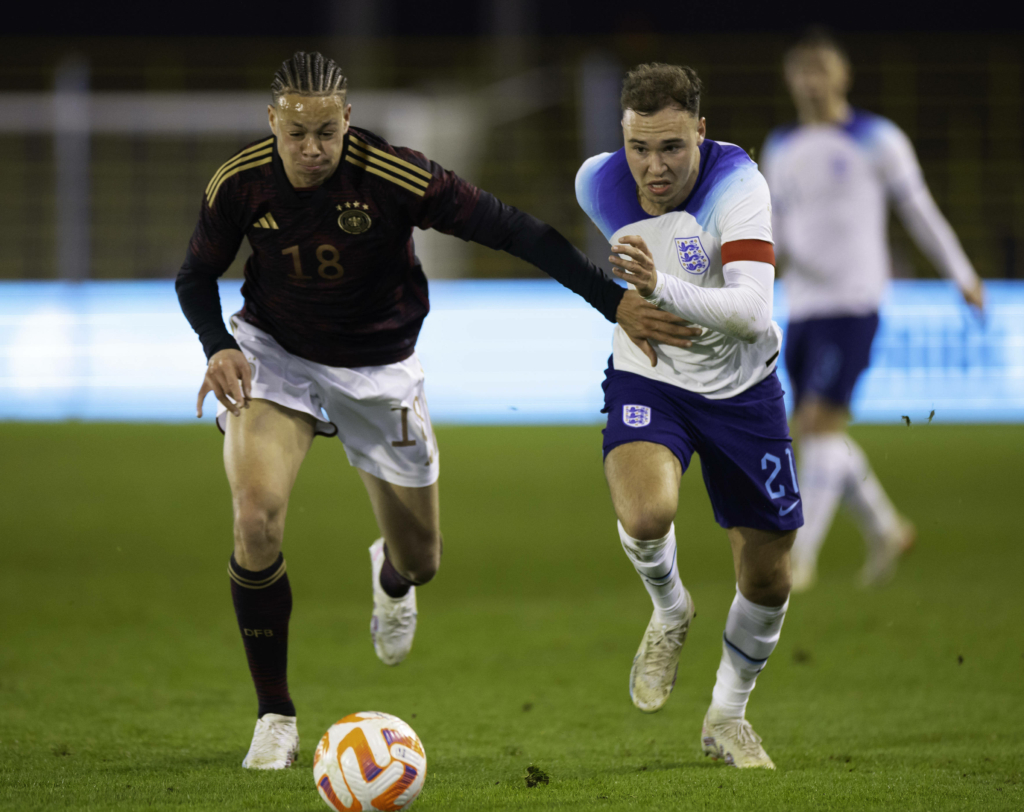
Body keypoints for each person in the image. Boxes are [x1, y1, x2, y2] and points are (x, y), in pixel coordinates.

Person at [176, 51, 698, 770]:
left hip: (380, 371)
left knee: (421, 560)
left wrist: (615, 304)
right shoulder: (240, 184)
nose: (310, 148)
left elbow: (517, 230)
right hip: (275, 357)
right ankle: (275, 714)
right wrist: (216, 345)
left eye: (326, 131)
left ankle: (389, 579)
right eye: (296, 132)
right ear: (273, 122)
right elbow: (196, 273)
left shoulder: (395, 176)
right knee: (255, 515)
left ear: (348, 120)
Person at [575, 63, 802, 769]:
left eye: (672, 146)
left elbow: (750, 313)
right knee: (646, 515)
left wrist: (656, 286)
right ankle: (671, 609)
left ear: (701, 132)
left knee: (768, 580)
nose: (653, 166)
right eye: (639, 147)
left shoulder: (740, 186)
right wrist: (623, 305)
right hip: (654, 376)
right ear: (622, 137)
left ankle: (727, 716)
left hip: (743, 389)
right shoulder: (596, 181)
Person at [760, 30, 985, 592]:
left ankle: (799, 559)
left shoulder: (877, 138)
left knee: (817, 425)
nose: (811, 82)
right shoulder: (780, 146)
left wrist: (962, 273)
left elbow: (919, 209)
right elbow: (773, 230)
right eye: (801, 72)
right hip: (804, 307)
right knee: (815, 434)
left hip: (855, 303)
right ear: (791, 80)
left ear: (842, 77)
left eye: (821, 71)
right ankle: (886, 528)